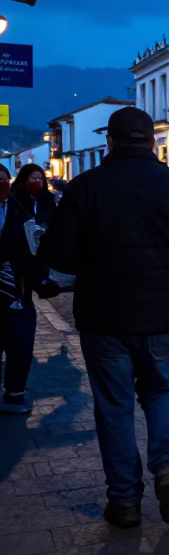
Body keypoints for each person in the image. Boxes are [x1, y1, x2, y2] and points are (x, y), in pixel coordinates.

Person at [39, 106, 169, 527]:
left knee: (114, 406)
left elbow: (59, 254)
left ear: (111, 143)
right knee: (161, 392)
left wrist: (94, 261)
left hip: (103, 315)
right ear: (152, 142)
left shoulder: (84, 188)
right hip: (162, 313)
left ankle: (123, 501)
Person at [0, 165, 60, 414]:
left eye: (2, 179)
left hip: (17, 292)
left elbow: (33, 251)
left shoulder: (18, 211)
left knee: (21, 345)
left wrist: (43, 281)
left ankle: (14, 394)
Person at [13, 163, 56, 227]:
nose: (37, 181)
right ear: (24, 180)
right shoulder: (14, 199)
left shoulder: (48, 199)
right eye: (34, 178)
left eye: (40, 179)